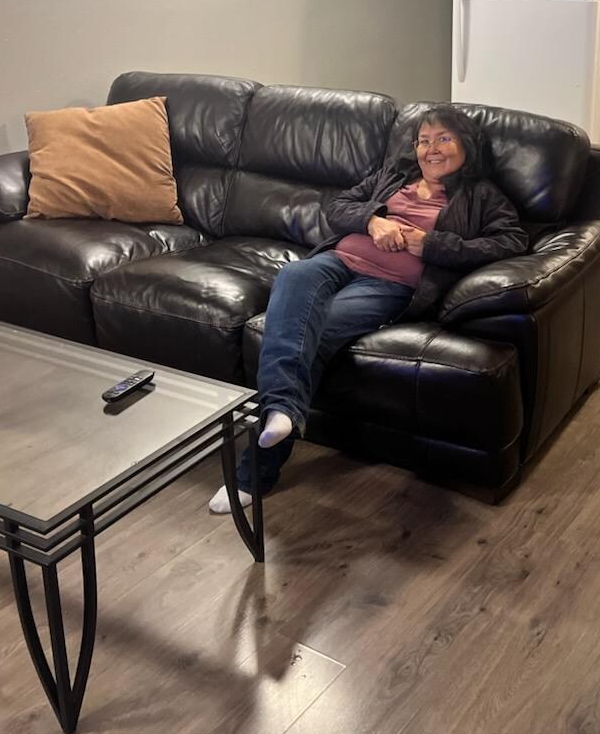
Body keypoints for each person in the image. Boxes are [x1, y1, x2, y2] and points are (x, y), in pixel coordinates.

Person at [209, 106, 527, 511]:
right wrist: (373, 221)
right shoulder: (394, 175)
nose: (431, 149)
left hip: (388, 284)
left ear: (467, 145)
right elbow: (338, 206)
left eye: (444, 139)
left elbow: (511, 242)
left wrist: (431, 245)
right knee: (293, 274)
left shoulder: (482, 196)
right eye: (424, 141)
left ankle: (255, 472)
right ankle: (283, 409)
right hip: (336, 262)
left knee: (312, 333)